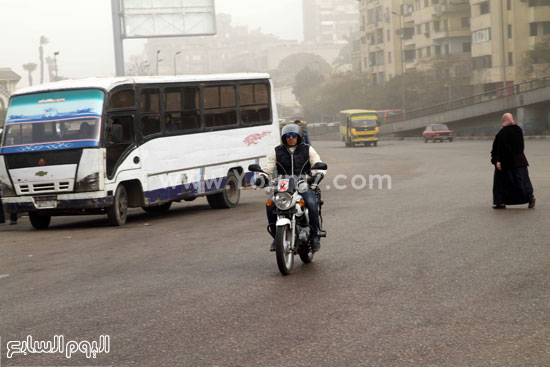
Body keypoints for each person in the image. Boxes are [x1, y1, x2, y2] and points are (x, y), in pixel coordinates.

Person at [256, 123, 326, 252]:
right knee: (270, 203)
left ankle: (314, 235)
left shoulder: (307, 149)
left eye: (293, 135)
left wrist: (318, 176)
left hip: (303, 182)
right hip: (283, 183)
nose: (291, 138)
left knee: (311, 202)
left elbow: (317, 163)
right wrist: (262, 177)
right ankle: (275, 236)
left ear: (298, 136)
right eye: (287, 135)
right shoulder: (277, 150)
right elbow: (267, 168)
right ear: (284, 137)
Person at [490, 112, 535, 209]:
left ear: (503, 121)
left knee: (501, 183)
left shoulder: (502, 133)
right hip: (520, 162)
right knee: (523, 182)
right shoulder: (518, 130)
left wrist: (497, 160)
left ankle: (500, 202)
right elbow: (520, 147)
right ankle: (530, 198)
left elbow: (498, 149)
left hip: (506, 164)